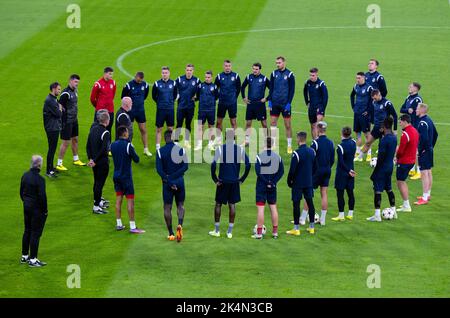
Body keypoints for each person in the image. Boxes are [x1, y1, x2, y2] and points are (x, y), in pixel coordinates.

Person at [209, 129, 251, 239]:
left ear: (226, 138)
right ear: (234, 138)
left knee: (218, 204)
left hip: (222, 181)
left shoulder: (220, 149)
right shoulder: (240, 150)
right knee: (232, 205)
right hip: (234, 182)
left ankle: (217, 230)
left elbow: (213, 164)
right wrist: (242, 179)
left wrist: (215, 179)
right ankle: (229, 232)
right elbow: (248, 165)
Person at [156, 130, 189, 241]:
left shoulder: (160, 151)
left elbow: (159, 170)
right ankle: (180, 224)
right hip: (180, 181)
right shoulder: (181, 149)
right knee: (180, 205)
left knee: (167, 207)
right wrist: (175, 178)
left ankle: (170, 233)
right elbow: (185, 167)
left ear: (164, 138)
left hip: (167, 183)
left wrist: (169, 180)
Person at [111, 126, 145, 233]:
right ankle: (132, 227)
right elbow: (137, 159)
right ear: (125, 133)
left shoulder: (113, 145)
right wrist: (131, 147)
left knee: (118, 199)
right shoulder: (128, 145)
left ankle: (119, 224)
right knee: (130, 201)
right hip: (126, 177)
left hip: (116, 176)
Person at [301, 121, 334, 226]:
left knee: (308, 193)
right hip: (327, 170)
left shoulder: (315, 143)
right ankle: (323, 220)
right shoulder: (331, 142)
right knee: (324, 193)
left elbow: (311, 157)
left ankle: (302, 218)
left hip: (316, 171)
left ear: (318, 130)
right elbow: (332, 159)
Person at [367, 116, 397, 222]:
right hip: (390, 166)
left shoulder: (384, 140)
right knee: (389, 189)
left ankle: (377, 216)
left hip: (382, 168)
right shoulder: (394, 137)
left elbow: (381, 158)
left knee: (378, 190)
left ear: (384, 126)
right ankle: (394, 212)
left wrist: (375, 172)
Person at [253, 137, 284, 239]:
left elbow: (258, 172)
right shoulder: (278, 157)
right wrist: (273, 182)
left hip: (262, 186)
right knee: (273, 208)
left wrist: (266, 182)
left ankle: (259, 233)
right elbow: (281, 172)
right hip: (273, 187)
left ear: (264, 144)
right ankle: (275, 232)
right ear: (273, 145)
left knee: (261, 209)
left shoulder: (259, 156)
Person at [20, 155, 48, 267]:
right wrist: (45, 210)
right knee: (35, 234)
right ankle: (33, 259)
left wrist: (26, 202)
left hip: (26, 207)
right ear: (39, 165)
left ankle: (24, 256)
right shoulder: (40, 180)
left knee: (27, 230)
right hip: (37, 210)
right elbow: (42, 197)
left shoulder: (25, 176)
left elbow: (21, 192)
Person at [287, 131, 316, 235]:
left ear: (299, 139)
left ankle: (296, 229)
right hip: (308, 182)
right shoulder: (312, 151)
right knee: (310, 203)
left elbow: (292, 170)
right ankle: (312, 227)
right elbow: (315, 167)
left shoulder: (296, 153)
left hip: (298, 183)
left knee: (296, 204)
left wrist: (289, 181)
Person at [56, 74, 86, 171]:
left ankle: (76, 159)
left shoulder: (75, 91)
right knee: (66, 142)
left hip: (74, 120)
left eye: (78, 82)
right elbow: (59, 105)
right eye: (75, 82)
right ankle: (59, 163)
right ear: (70, 81)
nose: (77, 84)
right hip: (66, 121)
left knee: (75, 139)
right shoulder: (65, 93)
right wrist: (62, 119)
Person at [358, 89, 397, 161]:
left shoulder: (387, 103)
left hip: (386, 128)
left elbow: (395, 115)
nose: (374, 99)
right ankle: (360, 157)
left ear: (379, 95)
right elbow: (374, 113)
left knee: (389, 145)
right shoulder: (374, 102)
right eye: (373, 98)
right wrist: (372, 122)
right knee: (368, 142)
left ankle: (394, 159)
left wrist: (395, 129)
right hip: (376, 127)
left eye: (375, 98)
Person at [268, 56, 295, 154]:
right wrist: (270, 100)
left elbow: (292, 90)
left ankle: (289, 145)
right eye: (276, 63)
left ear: (284, 63)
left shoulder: (290, 74)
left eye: (279, 63)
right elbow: (271, 88)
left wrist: (289, 103)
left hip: (285, 104)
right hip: (275, 103)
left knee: (287, 125)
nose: (277, 64)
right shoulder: (273, 73)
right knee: (273, 123)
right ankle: (274, 144)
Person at [121, 71, 152, 157]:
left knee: (143, 129)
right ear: (135, 77)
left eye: (141, 80)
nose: (140, 82)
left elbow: (145, 96)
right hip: (130, 111)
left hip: (140, 110)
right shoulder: (128, 85)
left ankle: (146, 149)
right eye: (138, 80)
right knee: (129, 130)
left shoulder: (145, 85)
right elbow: (123, 98)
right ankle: (128, 147)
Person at [86, 110, 111, 214]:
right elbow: (103, 149)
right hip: (102, 162)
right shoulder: (106, 133)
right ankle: (96, 206)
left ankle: (99, 201)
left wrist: (91, 159)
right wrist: (95, 160)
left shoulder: (93, 129)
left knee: (97, 182)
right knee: (99, 184)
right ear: (107, 121)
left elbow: (88, 146)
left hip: (94, 162)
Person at [414, 103, 438, 205]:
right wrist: (431, 147)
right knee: (428, 172)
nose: (416, 110)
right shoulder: (429, 119)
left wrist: (421, 149)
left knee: (424, 173)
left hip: (424, 151)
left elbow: (424, 139)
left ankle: (424, 198)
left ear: (422, 110)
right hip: (429, 150)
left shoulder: (422, 123)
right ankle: (427, 194)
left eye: (417, 109)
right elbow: (436, 134)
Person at [241, 62, 270, 145]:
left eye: (256, 69)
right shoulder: (248, 77)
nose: (254, 70)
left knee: (264, 124)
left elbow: (272, 89)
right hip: (250, 104)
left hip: (260, 104)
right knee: (248, 123)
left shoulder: (264, 78)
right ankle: (247, 141)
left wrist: (267, 99)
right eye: (253, 69)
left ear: (260, 70)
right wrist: (244, 97)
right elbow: (242, 87)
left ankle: (267, 141)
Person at [331, 127, 357, 221]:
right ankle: (350, 214)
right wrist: (350, 170)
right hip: (351, 171)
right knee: (350, 193)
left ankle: (341, 215)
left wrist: (347, 170)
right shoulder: (353, 142)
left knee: (340, 194)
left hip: (342, 173)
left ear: (342, 133)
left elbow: (341, 162)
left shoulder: (340, 147)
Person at [399, 82, 423, 179]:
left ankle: (419, 171)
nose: (409, 87)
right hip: (408, 126)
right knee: (411, 148)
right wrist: (408, 110)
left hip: (415, 127)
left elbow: (419, 112)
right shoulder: (408, 97)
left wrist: (408, 110)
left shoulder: (418, 99)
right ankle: (412, 169)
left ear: (416, 89)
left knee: (416, 149)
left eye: (411, 86)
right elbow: (402, 109)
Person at [396, 114, 419, 212]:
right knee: (402, 181)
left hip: (404, 161)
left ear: (405, 121)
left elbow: (401, 150)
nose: (399, 124)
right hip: (411, 161)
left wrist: (396, 158)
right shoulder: (414, 130)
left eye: (400, 122)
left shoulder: (405, 134)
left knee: (400, 182)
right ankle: (405, 204)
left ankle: (406, 205)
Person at [152, 66, 177, 150]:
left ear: (169, 73)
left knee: (170, 128)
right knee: (159, 128)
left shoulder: (173, 83)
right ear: (161, 73)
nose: (164, 74)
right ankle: (158, 147)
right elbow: (154, 96)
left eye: (166, 73)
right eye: (163, 73)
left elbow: (175, 95)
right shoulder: (156, 83)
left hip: (170, 109)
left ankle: (170, 146)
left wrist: (169, 102)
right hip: (161, 109)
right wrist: (160, 102)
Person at [214, 60, 241, 138]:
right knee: (219, 122)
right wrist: (218, 97)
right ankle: (218, 139)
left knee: (233, 121)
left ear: (231, 66)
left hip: (232, 103)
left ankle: (234, 139)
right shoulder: (219, 76)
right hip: (222, 102)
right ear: (223, 66)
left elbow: (238, 88)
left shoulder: (236, 76)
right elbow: (215, 88)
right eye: (226, 66)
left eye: (229, 66)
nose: (227, 67)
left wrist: (234, 97)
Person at [350, 72, 373, 162]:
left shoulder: (369, 88)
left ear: (364, 78)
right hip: (357, 113)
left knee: (367, 134)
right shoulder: (355, 86)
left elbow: (372, 101)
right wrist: (353, 106)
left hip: (365, 115)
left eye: (359, 78)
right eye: (356, 78)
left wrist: (368, 111)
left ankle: (369, 153)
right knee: (357, 133)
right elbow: (352, 95)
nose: (357, 80)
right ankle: (358, 151)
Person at [175, 64, 199, 148]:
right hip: (181, 106)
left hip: (190, 107)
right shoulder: (179, 79)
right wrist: (177, 95)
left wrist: (196, 98)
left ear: (193, 71)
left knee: (188, 124)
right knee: (179, 124)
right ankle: (176, 142)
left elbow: (201, 90)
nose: (189, 72)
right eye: (187, 70)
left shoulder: (196, 80)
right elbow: (174, 88)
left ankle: (186, 141)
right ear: (185, 70)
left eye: (190, 70)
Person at [194, 70, 219, 151]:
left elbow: (216, 97)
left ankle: (210, 144)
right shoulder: (200, 86)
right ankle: (199, 145)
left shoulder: (214, 87)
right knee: (200, 127)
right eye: (206, 77)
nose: (207, 79)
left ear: (211, 78)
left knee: (211, 127)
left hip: (211, 110)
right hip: (202, 110)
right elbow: (197, 96)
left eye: (208, 77)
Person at [43, 82, 62, 178]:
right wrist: (60, 109)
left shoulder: (53, 99)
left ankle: (51, 167)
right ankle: (48, 171)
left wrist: (60, 109)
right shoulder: (50, 100)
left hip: (54, 127)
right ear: (53, 89)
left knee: (53, 149)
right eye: (58, 89)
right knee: (51, 149)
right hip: (52, 128)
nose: (59, 91)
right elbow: (59, 114)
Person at [303, 67, 328, 139]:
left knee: (318, 125)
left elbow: (325, 97)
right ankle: (315, 142)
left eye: (313, 75)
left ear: (317, 74)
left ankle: (319, 142)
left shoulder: (321, 84)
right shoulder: (308, 82)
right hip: (311, 107)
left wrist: (323, 109)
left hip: (319, 107)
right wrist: (307, 102)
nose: (311, 77)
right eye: (310, 75)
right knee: (312, 126)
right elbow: (304, 91)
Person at [90, 67, 116, 136]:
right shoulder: (98, 84)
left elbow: (112, 95)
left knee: (109, 130)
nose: (111, 76)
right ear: (105, 73)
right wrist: (98, 106)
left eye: (112, 74)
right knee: (97, 129)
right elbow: (92, 98)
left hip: (110, 111)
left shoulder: (113, 83)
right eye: (110, 74)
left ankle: (108, 146)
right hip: (100, 111)